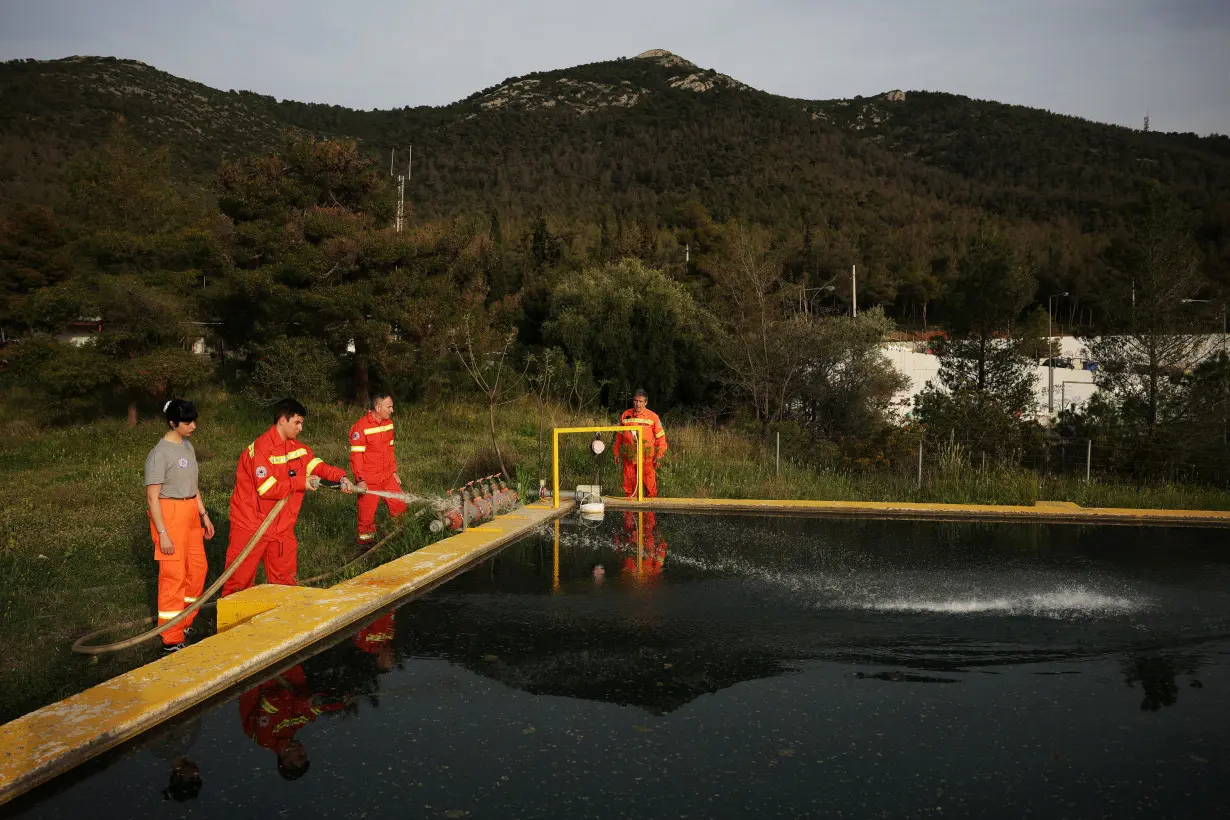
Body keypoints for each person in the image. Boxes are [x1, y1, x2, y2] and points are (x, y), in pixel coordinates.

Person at [221, 398, 353, 597]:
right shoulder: (260, 449)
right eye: (297, 423)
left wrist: (341, 477)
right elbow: (266, 489)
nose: (300, 428)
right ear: (282, 420)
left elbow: (318, 467)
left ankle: (282, 622)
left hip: (281, 528)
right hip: (251, 526)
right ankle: (232, 624)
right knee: (239, 583)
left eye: (302, 423)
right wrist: (300, 482)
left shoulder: (298, 449)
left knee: (285, 583)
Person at [145, 399, 214, 653]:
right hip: (169, 514)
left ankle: (185, 620)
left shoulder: (187, 446)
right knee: (173, 575)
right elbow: (152, 497)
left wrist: (203, 514)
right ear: (173, 423)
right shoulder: (159, 454)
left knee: (197, 568)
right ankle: (171, 637)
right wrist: (162, 533)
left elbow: (192, 484)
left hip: (190, 511)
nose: (193, 426)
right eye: (187, 422)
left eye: (194, 420)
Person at [239, 664, 345, 781]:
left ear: (286, 762)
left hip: (256, 668)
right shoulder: (293, 728)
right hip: (284, 664)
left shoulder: (264, 738)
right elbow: (313, 710)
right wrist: (339, 702)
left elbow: (271, 701)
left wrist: (302, 702)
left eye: (300, 756)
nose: (303, 750)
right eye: (304, 754)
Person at [348, 393, 406, 550]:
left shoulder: (388, 424)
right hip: (369, 480)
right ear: (378, 407)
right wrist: (360, 479)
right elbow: (356, 456)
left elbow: (390, 449)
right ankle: (366, 548)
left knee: (399, 505)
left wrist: (393, 471)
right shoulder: (360, 427)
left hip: (387, 477)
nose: (392, 410)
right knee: (366, 518)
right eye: (389, 407)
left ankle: (403, 536)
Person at [614, 389, 668, 498]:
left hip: (647, 459)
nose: (637, 404)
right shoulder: (626, 415)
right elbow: (619, 436)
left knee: (650, 490)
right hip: (629, 458)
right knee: (629, 490)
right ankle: (630, 514)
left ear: (646, 402)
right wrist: (616, 452)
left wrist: (659, 455)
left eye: (640, 401)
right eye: (635, 401)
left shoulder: (653, 417)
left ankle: (649, 514)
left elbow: (661, 439)